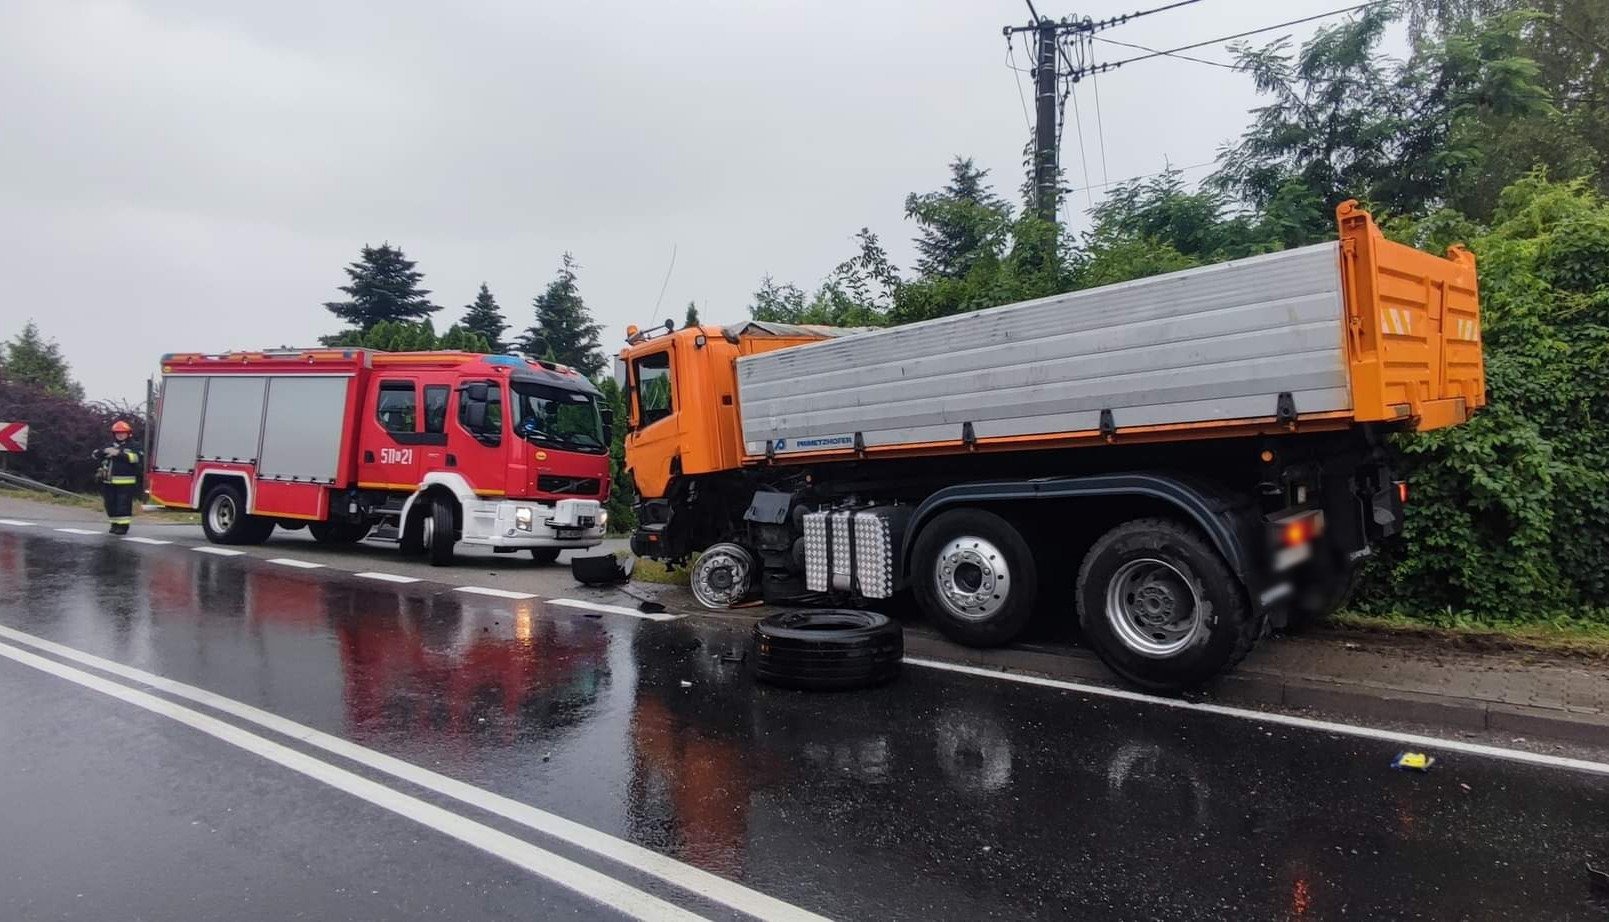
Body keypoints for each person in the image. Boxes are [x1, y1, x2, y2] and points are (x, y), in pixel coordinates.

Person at [96, 420, 142, 535]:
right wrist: (104, 452)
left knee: (123, 504)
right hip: (109, 482)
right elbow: (95, 454)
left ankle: (123, 526)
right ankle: (114, 524)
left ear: (128, 433)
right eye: (117, 433)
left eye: (123, 433)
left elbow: (137, 458)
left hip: (126, 482)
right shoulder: (109, 445)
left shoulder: (134, 446)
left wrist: (119, 454)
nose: (120, 435)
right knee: (110, 504)